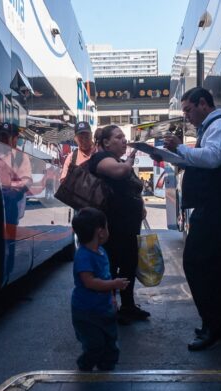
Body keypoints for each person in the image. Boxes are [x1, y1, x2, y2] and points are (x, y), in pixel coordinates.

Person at [161, 87, 221, 351]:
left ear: (203, 104)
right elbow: (204, 160)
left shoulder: (220, 126)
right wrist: (170, 156)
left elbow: (213, 158)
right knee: (217, 268)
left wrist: (180, 148)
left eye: (188, 110)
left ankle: (212, 325)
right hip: (214, 207)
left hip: (215, 208)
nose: (187, 117)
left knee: (196, 264)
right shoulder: (212, 128)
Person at [89, 125, 150, 324]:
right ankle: (110, 308)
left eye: (124, 137)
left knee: (128, 265)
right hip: (111, 228)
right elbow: (119, 172)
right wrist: (131, 160)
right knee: (111, 265)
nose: (124, 140)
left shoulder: (119, 160)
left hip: (128, 227)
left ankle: (128, 305)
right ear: (106, 142)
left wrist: (139, 206)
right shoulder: (100, 158)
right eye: (119, 137)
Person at [71, 207, 130, 371]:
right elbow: (89, 282)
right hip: (86, 311)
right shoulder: (83, 256)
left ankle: (107, 367)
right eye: (107, 226)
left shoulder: (102, 252)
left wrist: (112, 296)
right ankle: (85, 364)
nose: (108, 230)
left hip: (104, 308)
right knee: (94, 344)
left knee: (111, 342)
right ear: (100, 232)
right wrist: (114, 285)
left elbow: (105, 276)